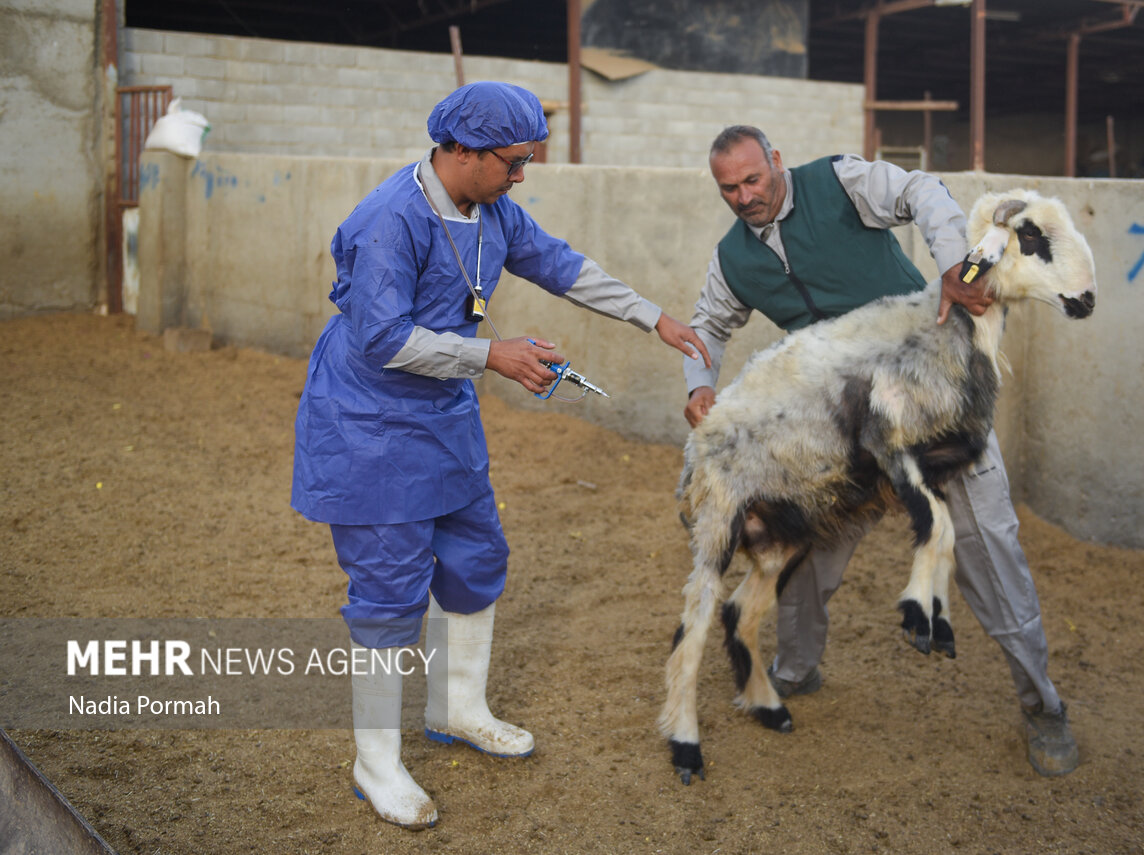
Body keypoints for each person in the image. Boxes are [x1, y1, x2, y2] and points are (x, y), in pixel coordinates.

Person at [291, 81, 710, 830]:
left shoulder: (491, 211)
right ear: (461, 150)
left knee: (475, 556)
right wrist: (494, 355)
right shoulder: (391, 220)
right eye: (513, 162)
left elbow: (558, 263)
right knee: (389, 590)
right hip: (372, 422)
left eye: (526, 162)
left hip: (443, 413)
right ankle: (376, 763)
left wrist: (653, 318)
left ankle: (457, 707)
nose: (521, 176)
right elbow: (383, 339)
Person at [681, 125, 1078, 778]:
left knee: (988, 546)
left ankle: (1043, 704)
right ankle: (795, 668)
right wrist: (700, 385)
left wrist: (953, 265)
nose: (745, 196)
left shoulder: (839, 181)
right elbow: (706, 325)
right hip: (841, 427)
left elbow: (922, 189)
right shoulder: (733, 258)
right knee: (803, 550)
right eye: (730, 188)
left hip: (931, 391)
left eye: (753, 179)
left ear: (775, 161)